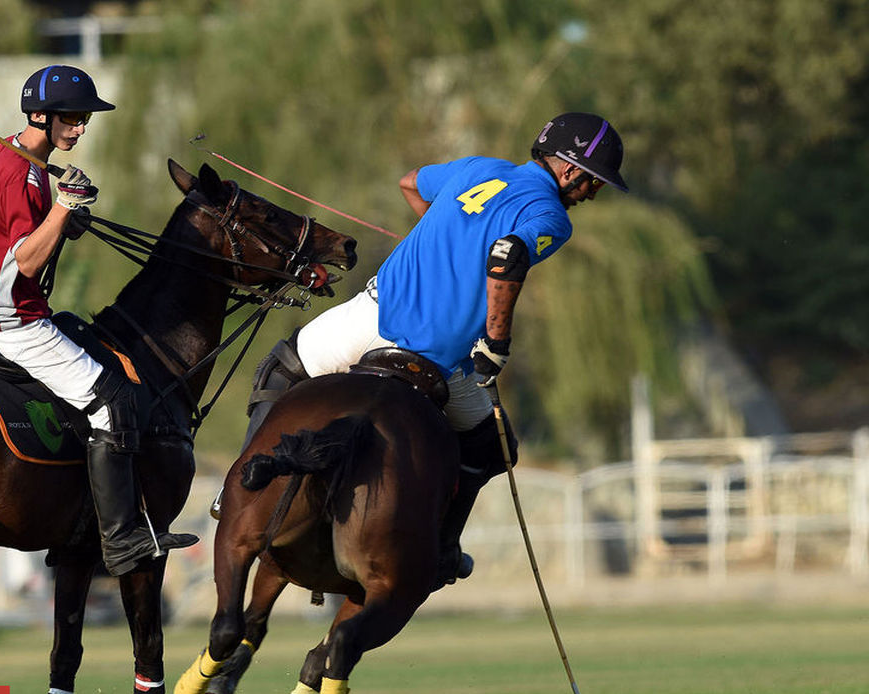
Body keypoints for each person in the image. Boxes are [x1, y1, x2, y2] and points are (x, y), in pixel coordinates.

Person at [229, 112, 628, 586]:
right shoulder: (552, 217)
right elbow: (507, 255)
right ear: (568, 168)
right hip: (437, 360)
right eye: (594, 182)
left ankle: (237, 493)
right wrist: (497, 342)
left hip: (369, 321)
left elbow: (410, 182)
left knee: (282, 367)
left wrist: (444, 237)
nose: (592, 193)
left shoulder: (479, 167)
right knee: (493, 450)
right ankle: (443, 547)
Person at [0, 65, 196, 576]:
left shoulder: (18, 158)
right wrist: (64, 208)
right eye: (73, 118)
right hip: (5, 320)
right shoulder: (20, 172)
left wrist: (66, 218)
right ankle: (121, 539)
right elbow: (28, 262)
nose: (81, 127)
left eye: (84, 118)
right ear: (40, 114)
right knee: (114, 397)